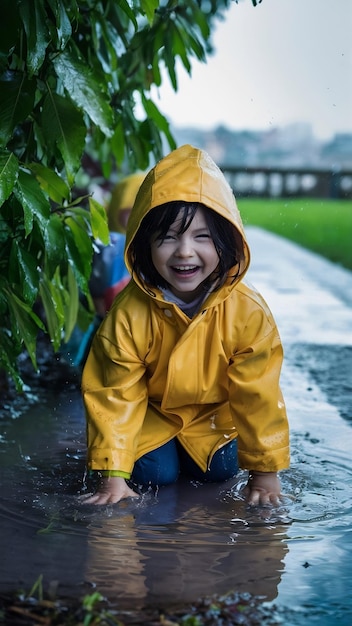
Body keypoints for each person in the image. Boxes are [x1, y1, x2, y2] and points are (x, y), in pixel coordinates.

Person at [81, 144, 290, 507]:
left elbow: (258, 395)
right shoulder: (130, 312)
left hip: (212, 418)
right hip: (152, 413)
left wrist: (264, 473)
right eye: (168, 237)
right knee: (154, 475)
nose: (184, 251)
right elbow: (114, 392)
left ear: (227, 242)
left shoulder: (248, 312)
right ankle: (145, 458)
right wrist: (112, 475)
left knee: (220, 470)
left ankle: (195, 454)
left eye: (202, 236)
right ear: (144, 244)